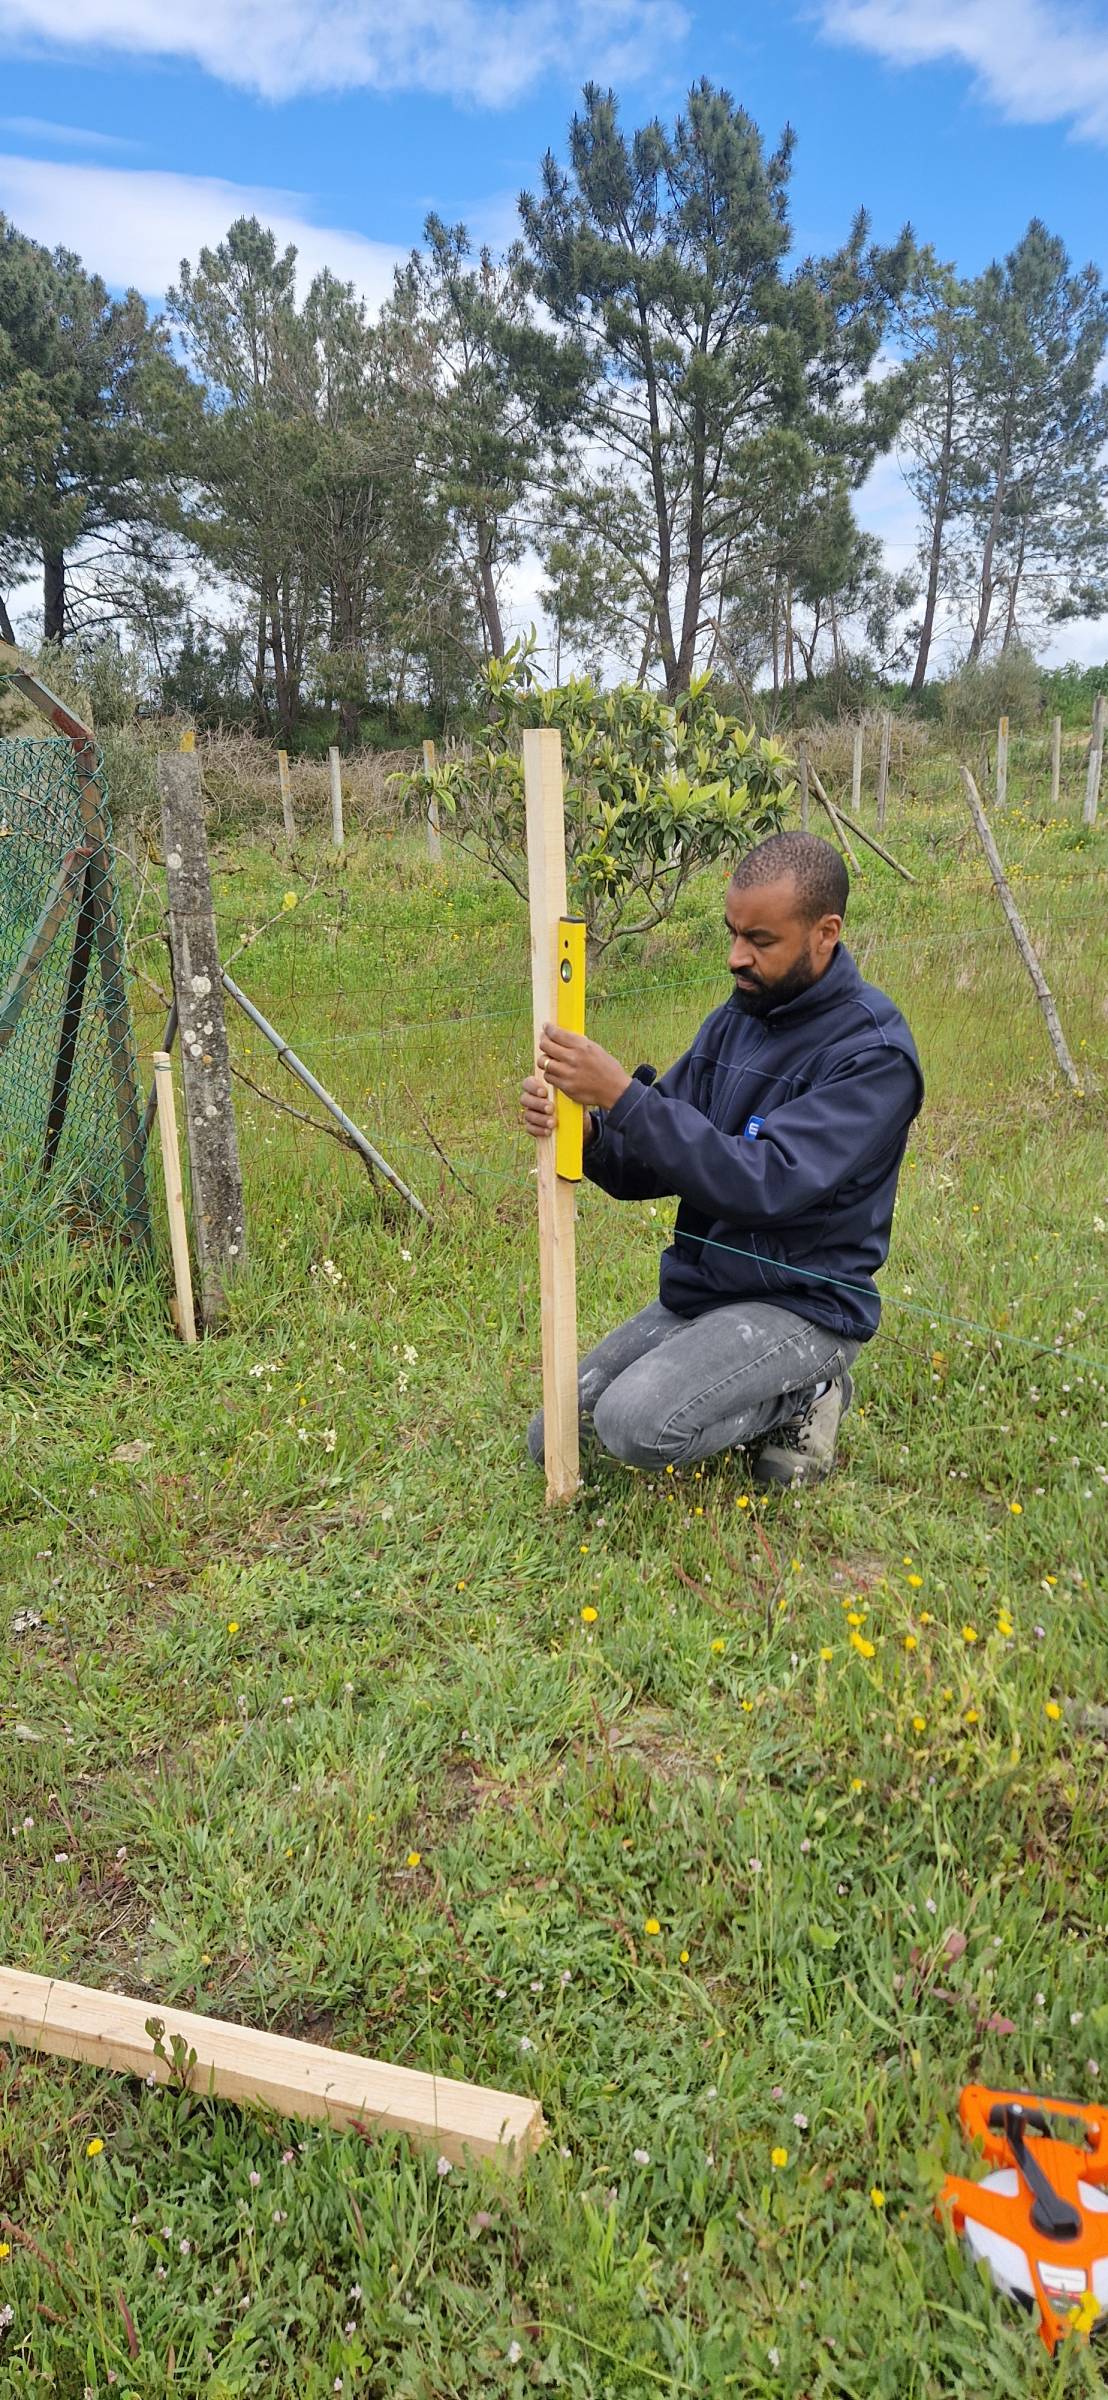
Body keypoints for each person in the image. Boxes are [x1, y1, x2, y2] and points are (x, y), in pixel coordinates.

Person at [521, 831, 923, 1487]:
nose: (737, 957)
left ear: (826, 932)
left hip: (805, 1304)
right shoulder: (736, 1020)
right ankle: (746, 1380)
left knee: (634, 1425)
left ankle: (814, 1389)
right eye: (733, 933)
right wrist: (592, 1134)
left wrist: (624, 1096)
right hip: (708, 1290)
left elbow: (758, 1184)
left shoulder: (872, 1056)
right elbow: (651, 1161)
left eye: (761, 941)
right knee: (558, 1439)